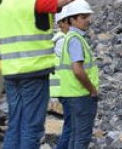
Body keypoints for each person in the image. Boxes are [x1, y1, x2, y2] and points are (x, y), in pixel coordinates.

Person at [0, 0, 102, 149]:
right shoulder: (32, 1)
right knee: (32, 128)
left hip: (11, 75)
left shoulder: (4, 5)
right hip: (33, 75)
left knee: (15, 126)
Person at [55, 0, 99, 149]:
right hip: (80, 95)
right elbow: (78, 70)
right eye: (83, 17)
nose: (88, 20)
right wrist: (92, 90)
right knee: (81, 138)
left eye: (88, 16)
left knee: (75, 136)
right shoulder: (75, 40)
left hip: (73, 95)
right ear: (72, 20)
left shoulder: (72, 37)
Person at [49, 12, 71, 149]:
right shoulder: (62, 40)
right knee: (70, 126)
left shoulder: (61, 39)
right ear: (60, 24)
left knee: (70, 125)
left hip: (64, 88)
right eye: (68, 22)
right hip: (65, 88)